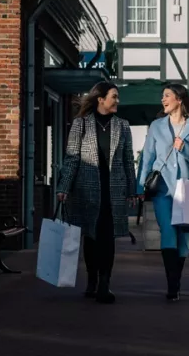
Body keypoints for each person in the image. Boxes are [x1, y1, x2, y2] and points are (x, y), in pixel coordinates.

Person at [56, 82, 138, 304]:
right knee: (91, 237)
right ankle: (92, 279)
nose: (117, 101)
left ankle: (105, 283)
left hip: (114, 191)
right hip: (85, 190)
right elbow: (72, 158)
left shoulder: (122, 126)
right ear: (100, 99)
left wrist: (132, 189)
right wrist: (64, 187)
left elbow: (128, 160)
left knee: (108, 238)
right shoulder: (81, 124)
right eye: (114, 96)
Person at [136, 83, 189, 302]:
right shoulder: (157, 126)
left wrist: (184, 147)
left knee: (183, 238)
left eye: (167, 96)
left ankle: (176, 281)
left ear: (179, 99)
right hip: (163, 189)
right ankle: (172, 284)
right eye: (162, 97)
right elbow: (147, 158)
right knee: (168, 232)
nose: (163, 100)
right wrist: (140, 186)